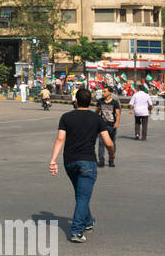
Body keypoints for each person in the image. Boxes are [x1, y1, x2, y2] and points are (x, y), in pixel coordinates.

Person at [49, 87, 116, 243]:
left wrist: (53, 160)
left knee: (81, 195)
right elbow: (108, 142)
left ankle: (88, 221)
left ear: (76, 101)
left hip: (69, 162)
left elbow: (60, 139)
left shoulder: (66, 117)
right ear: (91, 102)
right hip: (87, 162)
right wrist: (112, 154)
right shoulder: (97, 119)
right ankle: (77, 231)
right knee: (83, 196)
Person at [96, 88, 120, 167]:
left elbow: (118, 114)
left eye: (105, 91)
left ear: (110, 93)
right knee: (101, 143)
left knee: (111, 144)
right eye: (102, 91)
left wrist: (116, 123)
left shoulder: (115, 102)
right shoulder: (100, 101)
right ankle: (101, 161)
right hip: (102, 125)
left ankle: (111, 160)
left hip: (112, 126)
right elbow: (97, 111)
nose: (103, 93)